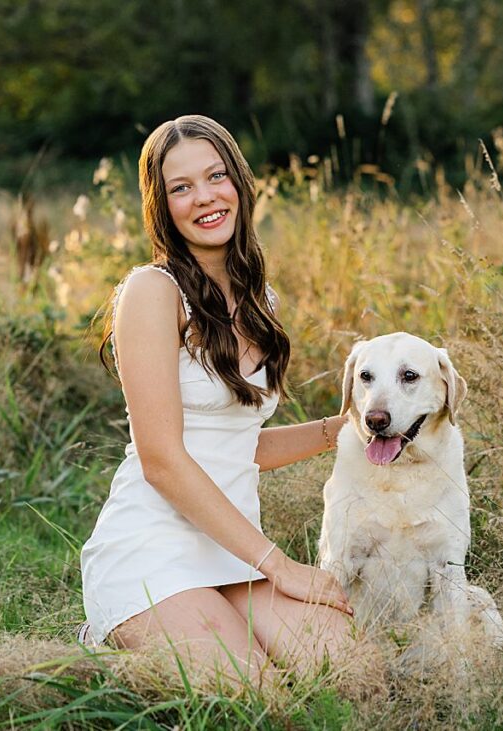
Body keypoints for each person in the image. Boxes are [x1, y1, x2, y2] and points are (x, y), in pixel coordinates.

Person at [80, 114, 356, 686]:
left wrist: (347, 427)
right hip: (153, 547)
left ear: (239, 182)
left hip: (232, 553)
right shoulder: (152, 293)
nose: (204, 197)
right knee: (257, 695)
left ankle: (214, 618)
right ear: (162, 206)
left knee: (355, 674)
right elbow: (161, 459)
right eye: (181, 187)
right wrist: (280, 567)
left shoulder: (262, 300)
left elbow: (239, 447)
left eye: (215, 176)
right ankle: (115, 642)